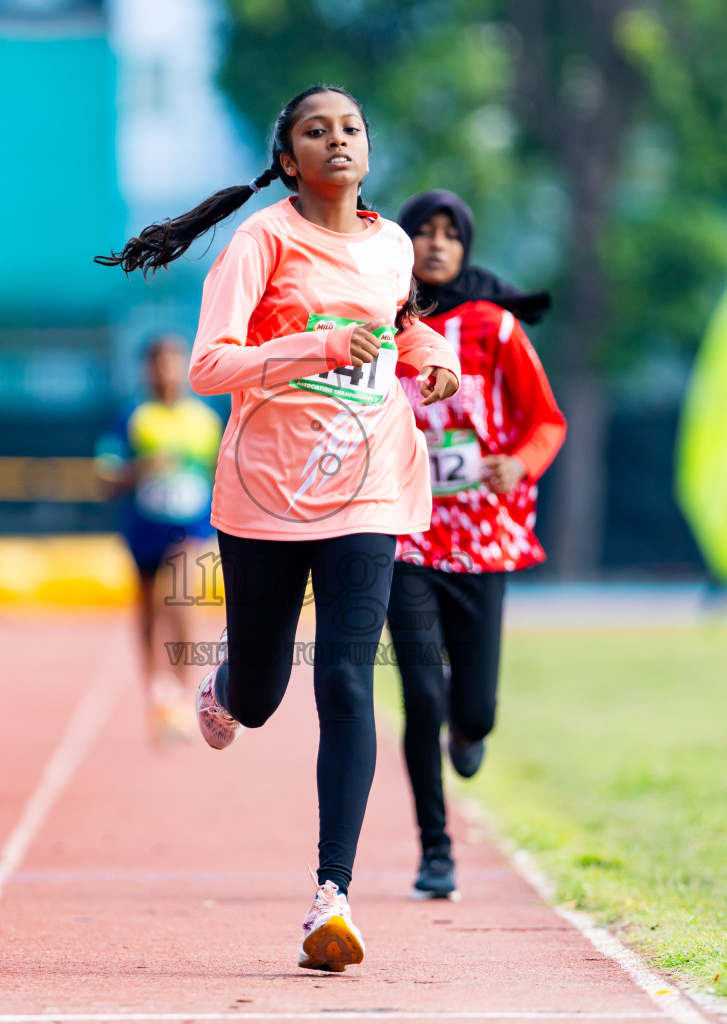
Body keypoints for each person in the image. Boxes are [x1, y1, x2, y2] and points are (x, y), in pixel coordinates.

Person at [98, 85, 461, 972]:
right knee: (261, 695)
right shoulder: (263, 241)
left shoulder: (390, 247)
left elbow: (401, 326)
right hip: (265, 494)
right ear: (288, 157)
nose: (338, 140)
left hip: (368, 489)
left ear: (367, 151)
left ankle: (331, 897)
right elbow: (211, 366)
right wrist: (314, 348)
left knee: (345, 679)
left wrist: (434, 359)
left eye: (352, 128)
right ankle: (225, 686)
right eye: (316, 130)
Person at [386, 191, 566, 900]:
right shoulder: (382, 323)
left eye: (448, 234)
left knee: (474, 711)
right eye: (421, 233)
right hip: (403, 537)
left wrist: (520, 463)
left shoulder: (493, 328)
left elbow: (546, 421)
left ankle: (470, 732)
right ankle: (436, 851)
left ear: (465, 246)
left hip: (482, 540)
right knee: (421, 697)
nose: (435, 245)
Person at [96, 335, 223, 744]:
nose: (166, 370)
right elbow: (106, 476)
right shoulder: (131, 418)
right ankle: (157, 687)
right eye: (157, 362)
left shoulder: (206, 419)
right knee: (148, 612)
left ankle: (183, 690)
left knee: (184, 595)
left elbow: (223, 470)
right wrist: (142, 467)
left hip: (191, 527)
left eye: (173, 360)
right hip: (143, 528)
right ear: (146, 370)